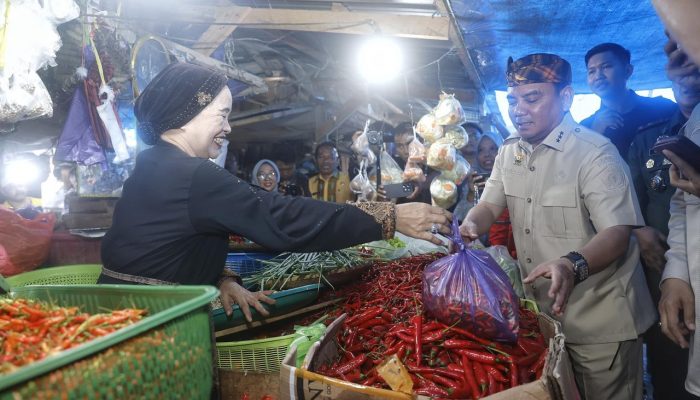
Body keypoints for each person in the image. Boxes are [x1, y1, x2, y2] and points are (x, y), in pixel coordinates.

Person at [99, 63, 452, 323]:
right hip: (143, 323)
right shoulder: (192, 174)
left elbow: (170, 241)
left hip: (123, 315)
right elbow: (283, 218)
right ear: (184, 115)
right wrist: (390, 216)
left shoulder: (155, 165)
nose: (228, 127)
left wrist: (222, 279)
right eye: (221, 115)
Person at [460, 53, 654, 400]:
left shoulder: (595, 153)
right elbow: (489, 204)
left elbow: (616, 233)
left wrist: (571, 264)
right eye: (513, 101)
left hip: (600, 322)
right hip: (544, 320)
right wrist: (471, 224)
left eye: (532, 98)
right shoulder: (509, 153)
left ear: (565, 97)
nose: (518, 109)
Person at [627, 37, 700, 400]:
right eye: (676, 50)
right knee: (671, 374)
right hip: (670, 278)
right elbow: (682, 208)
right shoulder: (659, 136)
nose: (684, 63)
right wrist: (673, 274)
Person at [580, 43, 676, 160]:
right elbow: (577, 169)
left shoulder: (663, 108)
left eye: (606, 67)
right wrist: (595, 133)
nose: (598, 76)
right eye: (591, 71)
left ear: (627, 70)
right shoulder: (585, 127)